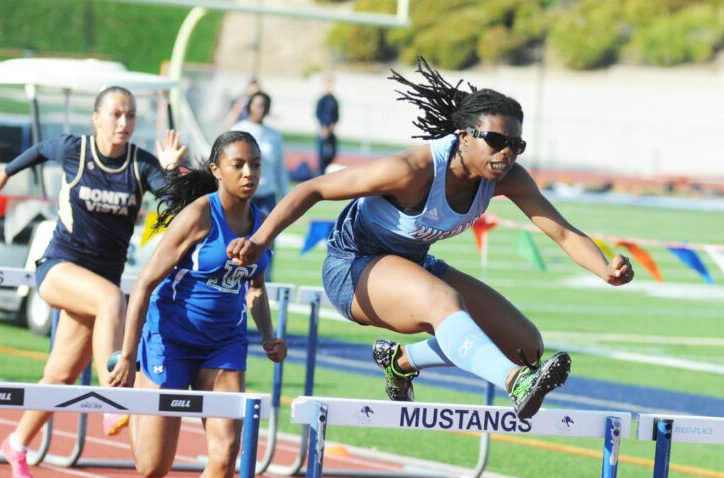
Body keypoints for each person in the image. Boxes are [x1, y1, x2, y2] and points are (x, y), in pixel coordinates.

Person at [227, 58, 634, 419]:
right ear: (464, 136)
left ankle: (401, 363)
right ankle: (515, 382)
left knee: (525, 346)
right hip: (352, 268)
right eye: (496, 141)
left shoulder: (507, 177)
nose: (506, 153)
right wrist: (259, 241)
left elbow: (560, 230)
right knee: (446, 303)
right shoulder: (412, 170)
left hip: (414, 265)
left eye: (516, 145)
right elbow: (312, 188)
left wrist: (604, 268)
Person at [107, 130, 287, 478]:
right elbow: (144, 284)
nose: (249, 173)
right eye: (238, 165)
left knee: (226, 451)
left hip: (224, 344)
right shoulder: (199, 216)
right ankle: (137, 395)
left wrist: (268, 335)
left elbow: (256, 286)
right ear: (216, 170)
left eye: (255, 165)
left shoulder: (262, 223)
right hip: (170, 339)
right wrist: (127, 355)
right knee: (153, 467)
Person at [0, 86, 186, 478]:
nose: (124, 122)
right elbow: (39, 150)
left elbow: (177, 206)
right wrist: (5, 173)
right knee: (113, 300)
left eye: (130, 115)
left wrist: (169, 172)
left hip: (98, 286)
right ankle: (112, 398)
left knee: (60, 376)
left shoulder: (139, 164)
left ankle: (17, 443)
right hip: (59, 268)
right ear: (96, 118)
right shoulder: (75, 150)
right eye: (116, 114)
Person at [232, 90, 289, 280]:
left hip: (267, 194)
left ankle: (265, 278)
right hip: (243, 194)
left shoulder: (274, 135)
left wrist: (285, 195)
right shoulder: (238, 130)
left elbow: (280, 167)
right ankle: (235, 275)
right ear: (249, 107)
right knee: (239, 236)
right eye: (258, 105)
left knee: (268, 237)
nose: (261, 109)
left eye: (265, 105)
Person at [315, 74, 340, 174]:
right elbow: (318, 114)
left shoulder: (334, 100)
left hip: (331, 130)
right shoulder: (322, 100)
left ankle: (327, 170)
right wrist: (323, 127)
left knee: (333, 152)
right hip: (323, 129)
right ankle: (321, 173)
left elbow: (337, 115)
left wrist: (333, 125)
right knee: (321, 155)